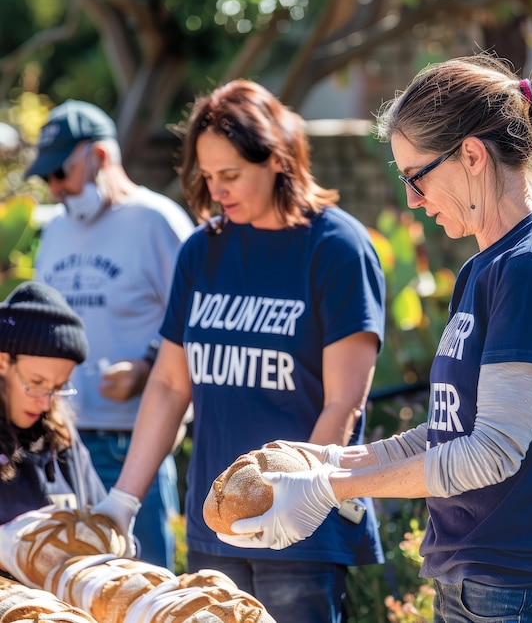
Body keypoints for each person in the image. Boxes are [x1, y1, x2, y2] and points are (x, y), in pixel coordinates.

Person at [213, 45, 532, 623]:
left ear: (472, 155)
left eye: (417, 176)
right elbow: (453, 430)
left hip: (526, 590)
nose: (412, 199)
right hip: (483, 584)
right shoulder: (487, 266)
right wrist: (335, 460)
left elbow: (492, 452)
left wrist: (335, 489)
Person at [92, 78, 386, 622]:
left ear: (277, 159)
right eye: (207, 176)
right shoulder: (202, 251)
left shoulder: (338, 249)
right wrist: (124, 500)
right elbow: (169, 384)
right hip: (215, 532)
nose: (217, 190)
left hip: (302, 533)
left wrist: (306, 497)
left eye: (231, 175)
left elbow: (344, 403)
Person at [25, 100, 195, 571]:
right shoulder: (56, 230)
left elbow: (195, 321)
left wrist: (145, 366)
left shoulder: (158, 222)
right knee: (68, 588)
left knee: (145, 586)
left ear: (99, 156)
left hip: (131, 443)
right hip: (57, 439)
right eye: (47, 178)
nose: (55, 188)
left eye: (60, 172)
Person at [0, 280, 105, 529]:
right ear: (3, 361)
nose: (46, 402)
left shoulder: (63, 436)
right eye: (36, 383)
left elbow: (99, 519)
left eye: (58, 388)